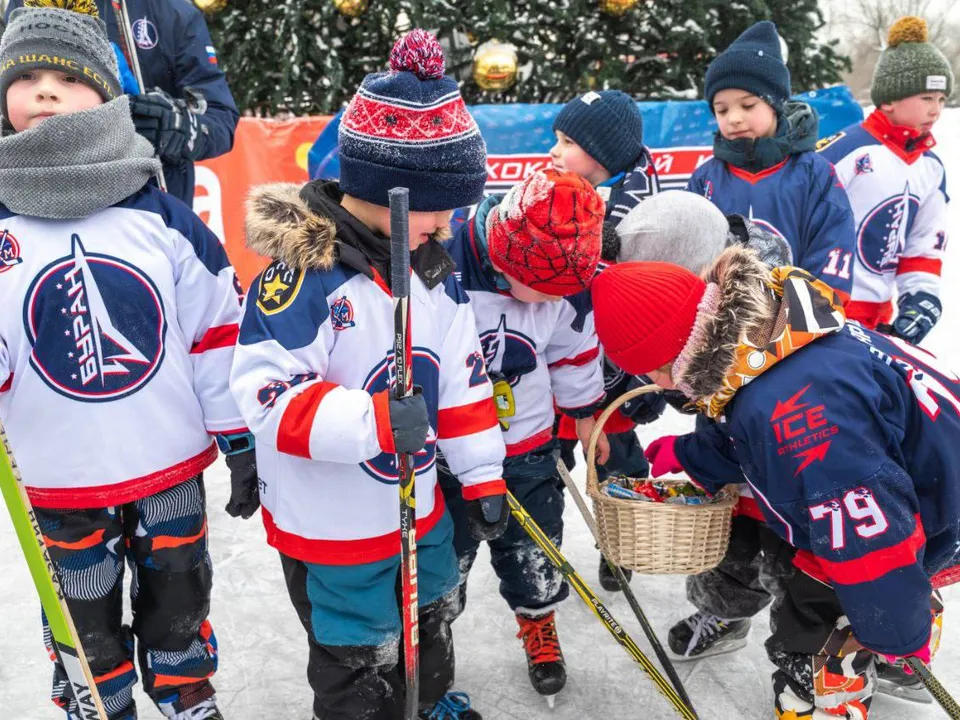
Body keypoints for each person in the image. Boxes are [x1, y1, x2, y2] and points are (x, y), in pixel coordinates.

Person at [230, 30, 507, 720]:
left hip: (420, 507)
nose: (450, 222)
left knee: (434, 615)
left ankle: (431, 698)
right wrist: (373, 421)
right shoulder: (303, 281)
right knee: (357, 655)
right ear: (390, 191)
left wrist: (482, 474)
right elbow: (267, 396)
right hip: (333, 523)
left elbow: (465, 386)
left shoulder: (436, 275)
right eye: (437, 204)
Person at [0, 3, 257, 719]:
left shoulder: (160, 215)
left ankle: (185, 693)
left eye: (66, 78)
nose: (44, 92)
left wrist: (237, 435)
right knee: (80, 611)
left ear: (109, 97)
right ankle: (97, 696)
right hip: (57, 477)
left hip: (164, 458)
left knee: (180, 591)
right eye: (27, 78)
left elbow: (215, 330)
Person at [591, 250, 959, 720]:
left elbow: (871, 537)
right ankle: (895, 633)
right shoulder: (765, 338)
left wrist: (897, 630)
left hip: (929, 509)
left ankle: (837, 689)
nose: (662, 386)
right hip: (908, 479)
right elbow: (750, 435)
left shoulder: (797, 409)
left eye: (655, 375)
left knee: (819, 611)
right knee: (844, 577)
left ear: (672, 360)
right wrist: (688, 454)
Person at [665, 18, 859, 660]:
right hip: (727, 369)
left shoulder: (814, 176)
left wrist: (788, 340)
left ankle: (830, 632)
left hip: (793, 363)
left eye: (747, 105)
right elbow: (687, 269)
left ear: (775, 104)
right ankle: (724, 611)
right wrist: (691, 356)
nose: (734, 118)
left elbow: (834, 265)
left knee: (795, 494)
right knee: (732, 495)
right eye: (721, 108)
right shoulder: (706, 181)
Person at [441, 168, 609, 701]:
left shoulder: (565, 288)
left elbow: (573, 352)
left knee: (535, 549)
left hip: (529, 445)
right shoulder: (443, 263)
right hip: (451, 457)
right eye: (538, 292)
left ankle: (538, 620)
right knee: (445, 558)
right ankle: (431, 633)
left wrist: (586, 418)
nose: (545, 303)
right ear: (505, 256)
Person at [548, 89, 667, 592]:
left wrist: (644, 376)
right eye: (556, 138)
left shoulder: (648, 215)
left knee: (618, 462)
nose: (554, 151)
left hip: (612, 372)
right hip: (555, 368)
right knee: (545, 468)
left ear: (605, 154)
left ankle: (617, 544)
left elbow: (660, 300)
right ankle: (541, 546)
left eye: (568, 141)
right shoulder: (550, 194)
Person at [7, 0, 241, 206]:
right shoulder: (28, 3)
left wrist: (172, 125)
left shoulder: (174, 12)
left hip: (148, 208)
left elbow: (220, 119)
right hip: (37, 203)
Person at [819, 16, 951, 345]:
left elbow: (922, 244)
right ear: (889, 99)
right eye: (926, 98)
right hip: (823, 315)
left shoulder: (931, 168)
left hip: (881, 321)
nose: (936, 110)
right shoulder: (844, 152)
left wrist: (921, 298)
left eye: (941, 99)